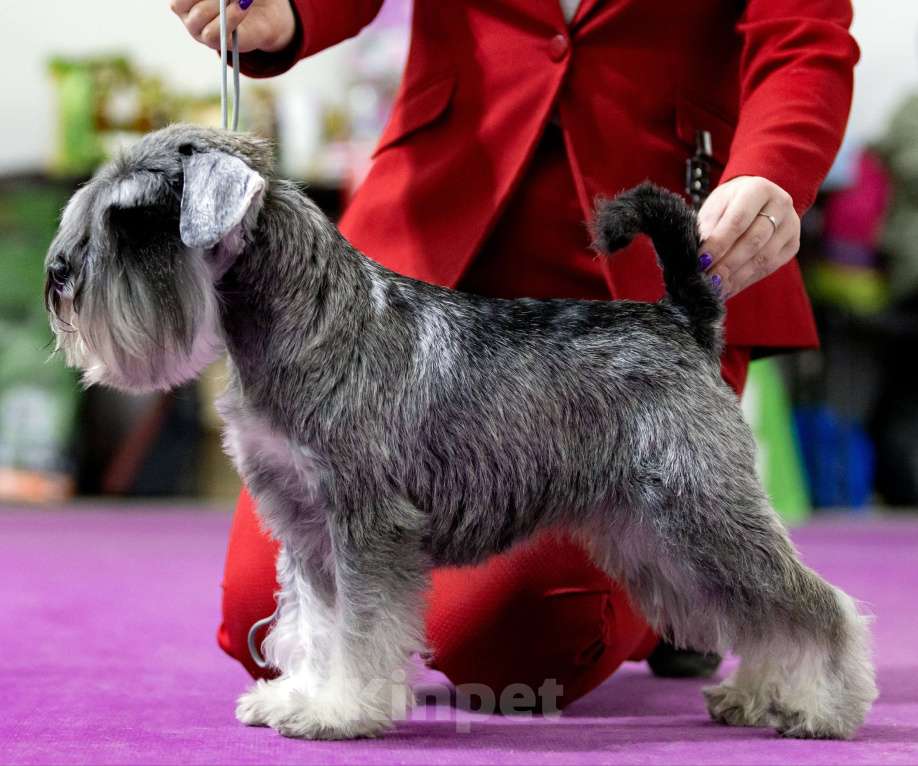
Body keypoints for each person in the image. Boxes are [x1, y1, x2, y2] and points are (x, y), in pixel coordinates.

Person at [172, 0, 859, 709]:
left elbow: (804, 36)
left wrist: (773, 170)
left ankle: (742, 629)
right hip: (428, 259)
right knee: (260, 613)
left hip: (640, 304)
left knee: (515, 642)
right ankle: (679, 595)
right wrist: (289, 12)